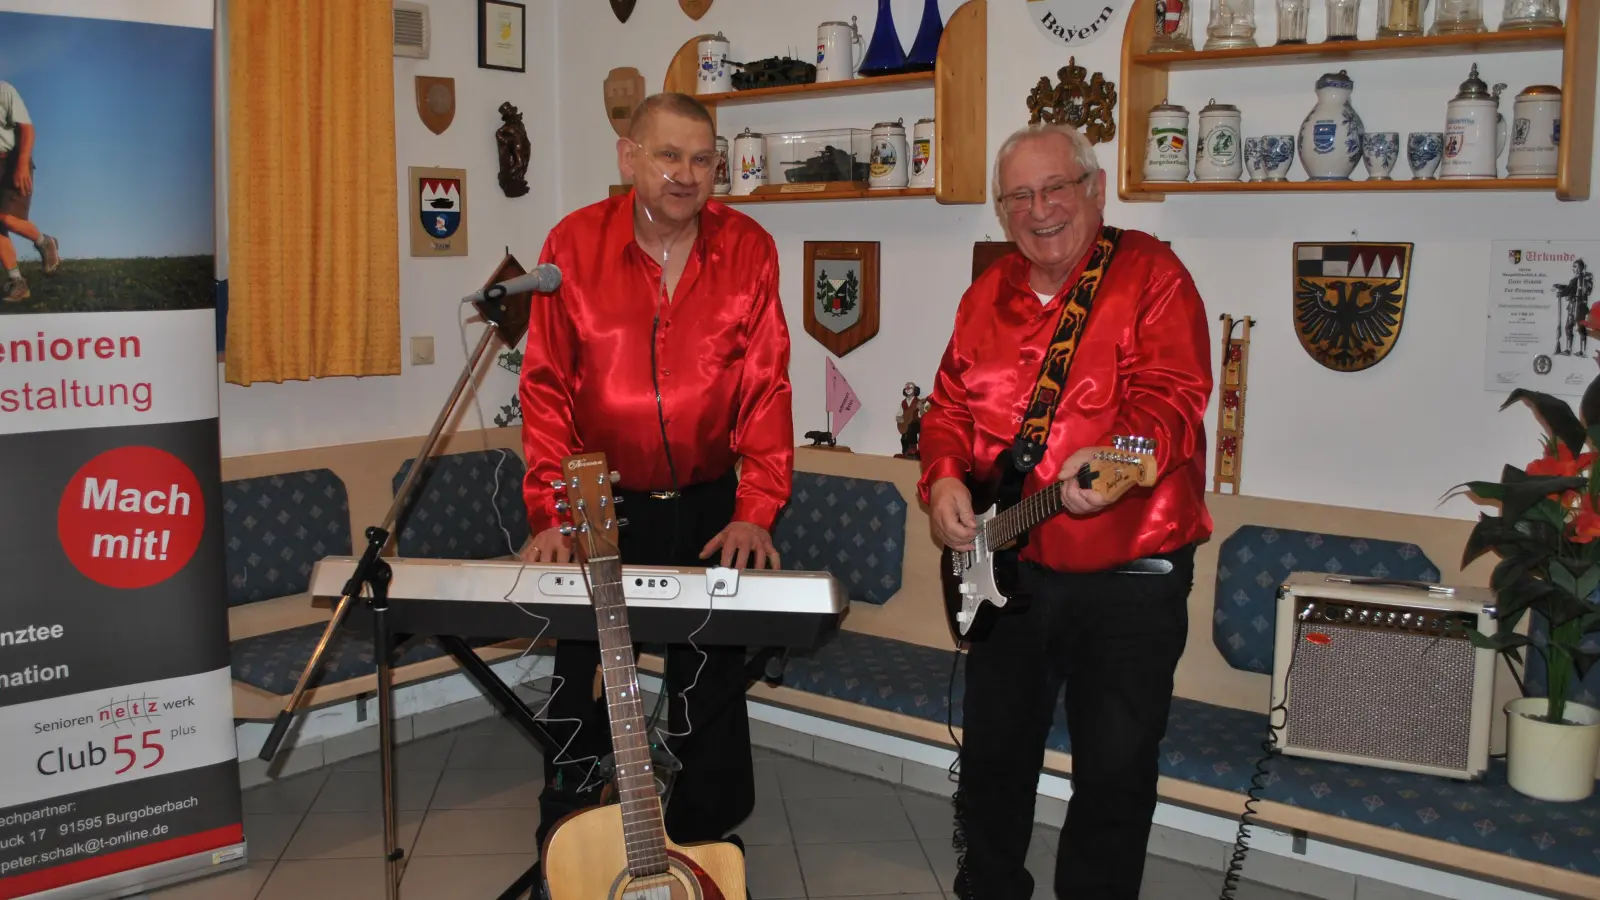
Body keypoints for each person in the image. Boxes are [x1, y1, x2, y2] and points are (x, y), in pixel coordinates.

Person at [918, 122, 1213, 899]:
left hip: (1130, 582)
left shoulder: (1153, 274)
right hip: (1011, 573)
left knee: (1114, 779)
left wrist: (1118, 459)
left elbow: (1173, 399)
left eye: (1056, 188)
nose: (1039, 208)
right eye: (1019, 194)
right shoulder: (985, 295)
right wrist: (944, 480)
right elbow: (947, 409)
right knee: (990, 763)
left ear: (1095, 189)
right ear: (1001, 209)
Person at [516, 92, 793, 886]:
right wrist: (552, 513)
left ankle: (700, 853)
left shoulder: (749, 249)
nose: (688, 175)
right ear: (627, 158)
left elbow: (766, 388)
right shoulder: (572, 247)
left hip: (710, 506)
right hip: (598, 506)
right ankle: (567, 844)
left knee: (709, 690)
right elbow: (545, 393)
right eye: (669, 156)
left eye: (704, 159)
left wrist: (756, 509)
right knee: (582, 685)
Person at [0, 81, 61, 303]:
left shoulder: (4, 90)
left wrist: (22, 164)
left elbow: (26, 127)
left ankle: (44, 241)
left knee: (8, 219)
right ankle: (17, 282)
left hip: (11, 160)